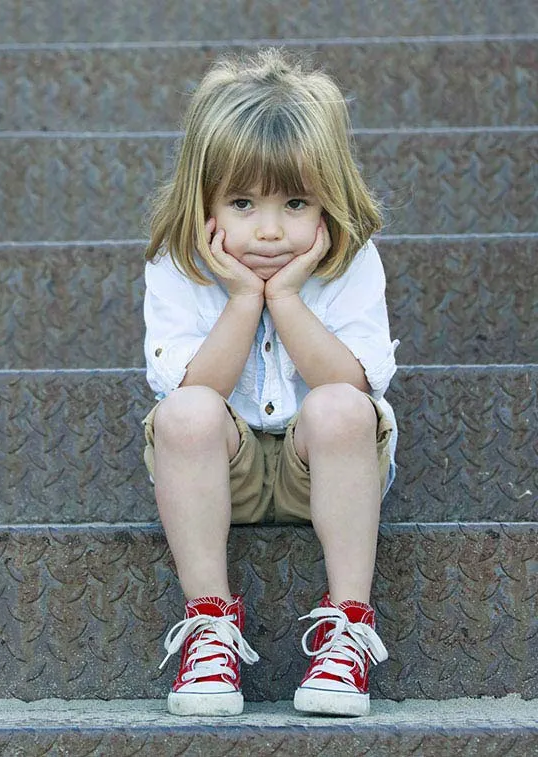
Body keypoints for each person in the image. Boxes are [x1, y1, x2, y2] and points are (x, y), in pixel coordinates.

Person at [142, 48, 399, 718]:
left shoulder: (351, 261)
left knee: (343, 406)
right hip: (217, 470)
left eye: (295, 202)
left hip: (325, 465)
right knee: (185, 414)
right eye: (242, 202)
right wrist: (240, 299)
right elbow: (190, 385)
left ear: (330, 200)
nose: (268, 229)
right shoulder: (178, 264)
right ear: (203, 202)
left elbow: (351, 381)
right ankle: (208, 625)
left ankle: (348, 626)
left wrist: (285, 297)